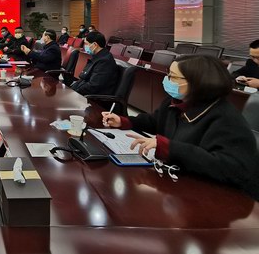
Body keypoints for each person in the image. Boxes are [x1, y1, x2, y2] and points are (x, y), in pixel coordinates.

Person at [102, 55, 259, 201]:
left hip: (219, 198)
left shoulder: (226, 119)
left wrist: (170, 148)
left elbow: (230, 168)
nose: (167, 80)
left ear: (196, 82)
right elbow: (155, 121)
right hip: (180, 184)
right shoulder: (176, 102)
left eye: (173, 77)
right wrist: (124, 121)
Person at [71, 31, 119, 96]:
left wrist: (75, 93)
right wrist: (71, 90)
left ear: (95, 45)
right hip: (84, 93)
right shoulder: (98, 56)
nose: (84, 46)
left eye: (86, 44)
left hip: (94, 98)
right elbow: (83, 78)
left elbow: (93, 86)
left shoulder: (104, 61)